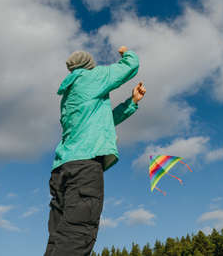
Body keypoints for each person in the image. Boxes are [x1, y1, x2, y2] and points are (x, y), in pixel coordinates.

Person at [44, 46, 146, 256]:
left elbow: (105, 121)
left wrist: (132, 102)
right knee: (78, 235)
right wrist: (127, 53)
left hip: (63, 170)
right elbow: (130, 67)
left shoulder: (71, 94)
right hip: (84, 170)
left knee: (59, 238)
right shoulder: (91, 77)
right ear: (89, 66)